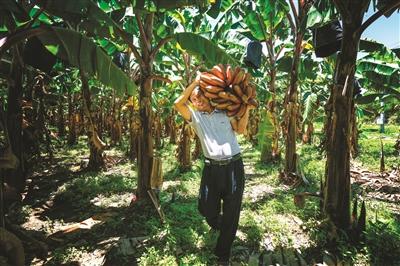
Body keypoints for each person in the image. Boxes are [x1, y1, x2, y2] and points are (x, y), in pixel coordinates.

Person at [174, 76, 254, 265]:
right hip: (211, 169)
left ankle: (223, 253)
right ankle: (218, 224)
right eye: (194, 100)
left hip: (233, 166)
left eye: (200, 97)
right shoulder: (196, 118)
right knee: (206, 208)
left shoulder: (224, 113)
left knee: (231, 210)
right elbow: (178, 104)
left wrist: (247, 110)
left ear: (209, 97)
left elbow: (241, 130)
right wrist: (195, 84)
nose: (198, 102)